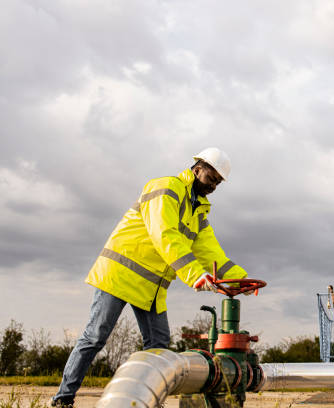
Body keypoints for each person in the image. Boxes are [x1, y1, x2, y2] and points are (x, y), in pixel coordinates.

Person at [51, 147, 248, 407]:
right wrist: (194, 275)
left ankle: (149, 400)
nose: (213, 186)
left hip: (151, 285)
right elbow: (164, 234)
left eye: (218, 183)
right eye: (211, 178)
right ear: (197, 168)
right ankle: (63, 399)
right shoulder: (167, 188)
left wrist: (239, 280)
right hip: (119, 275)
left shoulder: (198, 211)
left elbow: (211, 253)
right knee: (95, 337)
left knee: (158, 346)